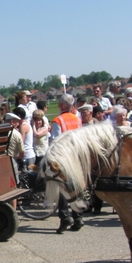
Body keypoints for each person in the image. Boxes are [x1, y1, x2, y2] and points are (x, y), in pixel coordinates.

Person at [50, 93, 83, 233]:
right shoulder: (77, 119)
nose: (58, 105)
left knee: (62, 190)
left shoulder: (58, 120)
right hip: (76, 157)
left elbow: (55, 141)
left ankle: (65, 217)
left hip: (63, 158)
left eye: (59, 103)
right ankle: (78, 217)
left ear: (63, 105)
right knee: (75, 189)